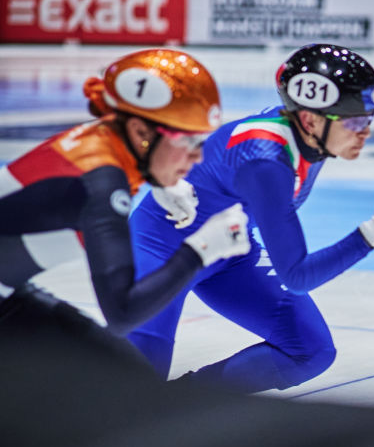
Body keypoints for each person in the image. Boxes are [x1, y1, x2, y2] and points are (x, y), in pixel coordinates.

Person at [127, 44, 374, 393]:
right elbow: (296, 275)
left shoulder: (311, 138)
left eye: (369, 119)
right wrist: (371, 233)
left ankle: (184, 400)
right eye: (355, 121)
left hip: (226, 251)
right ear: (310, 119)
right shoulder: (266, 159)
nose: (365, 132)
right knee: (137, 387)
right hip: (162, 251)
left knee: (311, 350)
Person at [0, 49, 248, 367]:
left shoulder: (102, 137)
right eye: (188, 141)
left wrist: (160, 183)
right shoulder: (102, 184)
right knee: (118, 378)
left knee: (122, 374)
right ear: (140, 132)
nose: (197, 157)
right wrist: (200, 250)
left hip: (7, 291)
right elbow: (123, 313)